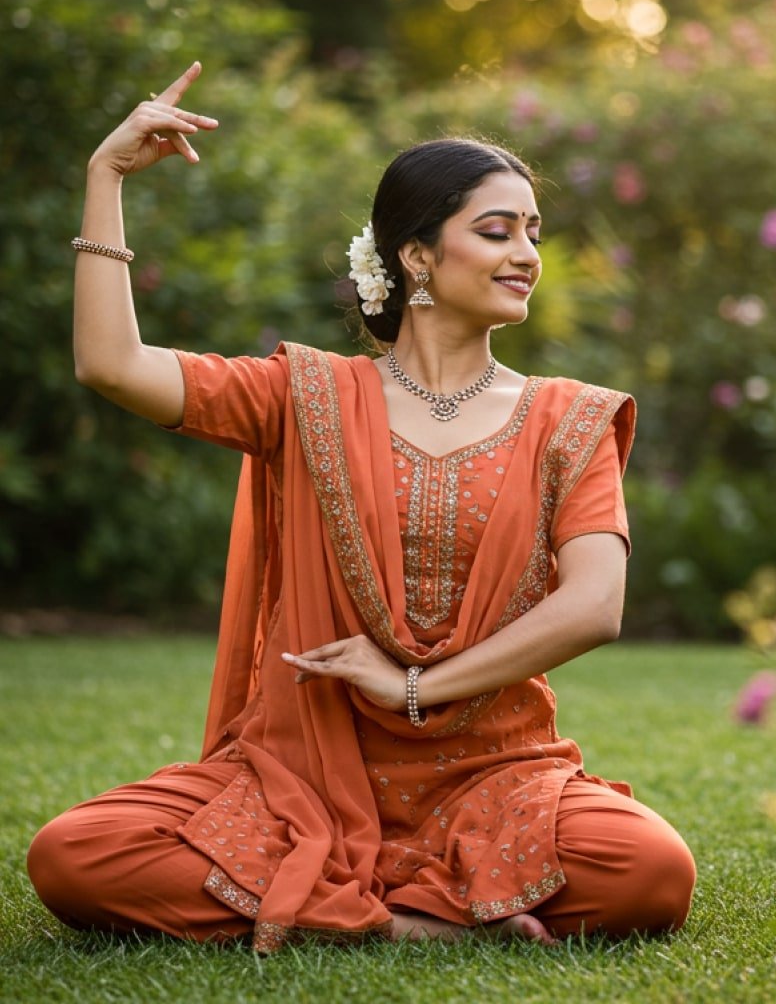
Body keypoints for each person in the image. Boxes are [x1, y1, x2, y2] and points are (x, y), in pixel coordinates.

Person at [27, 62, 696, 952]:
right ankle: (417, 925)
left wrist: (414, 687)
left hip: (490, 774)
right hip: (298, 771)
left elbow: (595, 605)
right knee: (76, 854)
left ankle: (327, 910)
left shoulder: (566, 420)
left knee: (650, 867)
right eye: (497, 231)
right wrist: (104, 180)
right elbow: (113, 366)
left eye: (534, 232)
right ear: (417, 255)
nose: (527, 254)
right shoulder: (302, 397)